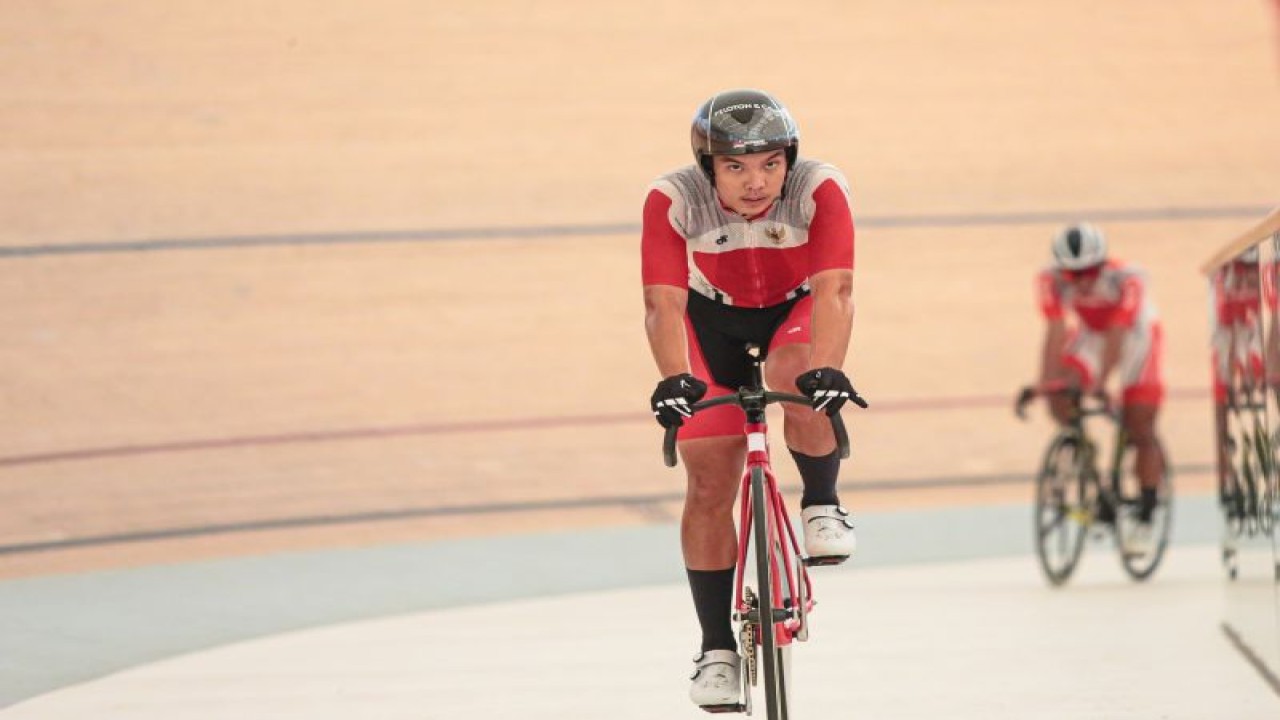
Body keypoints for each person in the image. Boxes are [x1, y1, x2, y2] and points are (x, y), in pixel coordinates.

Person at [641, 88, 859, 709]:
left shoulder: (820, 187)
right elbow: (663, 303)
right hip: (713, 324)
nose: (756, 181)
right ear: (708, 168)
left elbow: (836, 289)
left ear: (790, 158)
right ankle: (716, 650)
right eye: (735, 166)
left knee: (802, 373)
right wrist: (672, 379)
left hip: (796, 309)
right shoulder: (673, 197)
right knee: (709, 484)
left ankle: (821, 501)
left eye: (769, 163)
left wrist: (830, 370)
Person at [1018, 223, 1167, 554]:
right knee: (1060, 394)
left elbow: (1118, 335)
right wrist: (1045, 385)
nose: (1082, 279)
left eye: (1089, 271)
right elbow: (1055, 332)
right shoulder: (1050, 280)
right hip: (1091, 334)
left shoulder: (1129, 278)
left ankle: (1145, 512)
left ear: (1103, 263)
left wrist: (1100, 384)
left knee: (1139, 424)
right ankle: (1086, 457)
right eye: (1073, 274)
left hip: (1136, 337)